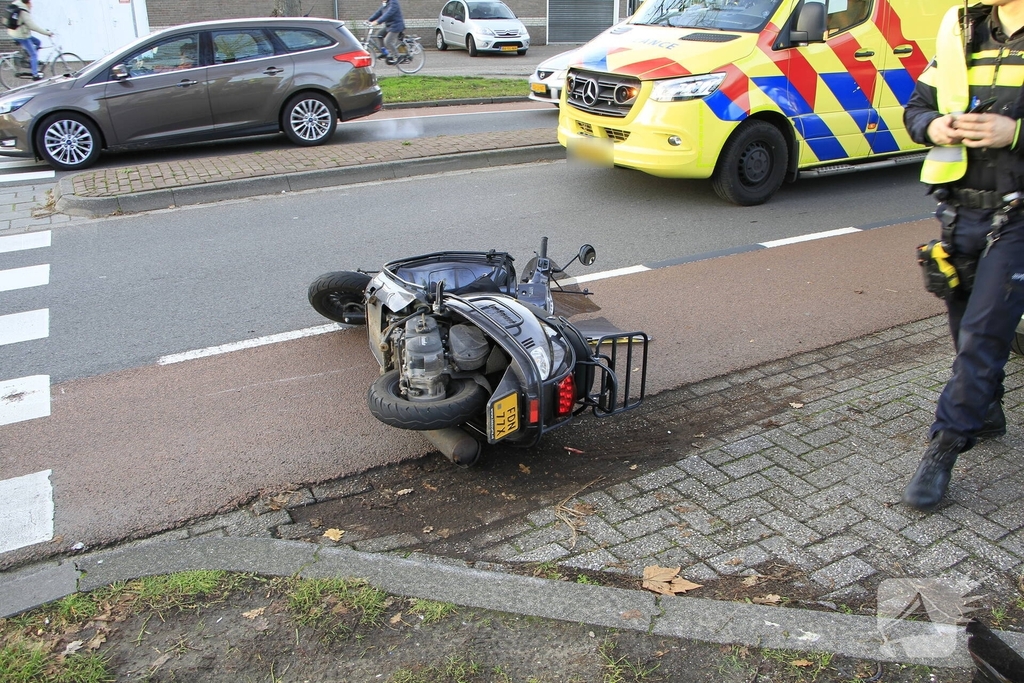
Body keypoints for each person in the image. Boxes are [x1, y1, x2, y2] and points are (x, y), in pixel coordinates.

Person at [901, 0, 1024, 511]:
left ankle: (945, 446)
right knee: (964, 328)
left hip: (1018, 217)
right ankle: (986, 410)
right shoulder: (963, 28)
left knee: (983, 333)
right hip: (959, 214)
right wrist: (934, 126)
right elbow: (915, 108)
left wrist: (1016, 132)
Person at [5, 0, 54, 80]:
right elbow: (32, 26)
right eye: (30, 4)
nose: (31, 6)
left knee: (38, 42)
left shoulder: (16, 4)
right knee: (34, 54)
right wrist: (47, 33)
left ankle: (32, 61)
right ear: (27, 3)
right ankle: (35, 74)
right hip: (21, 36)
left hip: (13, 32)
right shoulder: (23, 12)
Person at [368, 0, 405, 65]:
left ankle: (398, 57)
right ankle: (385, 53)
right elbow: (378, 12)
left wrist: (377, 22)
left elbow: (388, 14)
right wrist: (369, 20)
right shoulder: (385, 3)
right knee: (379, 34)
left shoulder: (393, 2)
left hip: (396, 25)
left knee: (387, 41)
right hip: (389, 26)